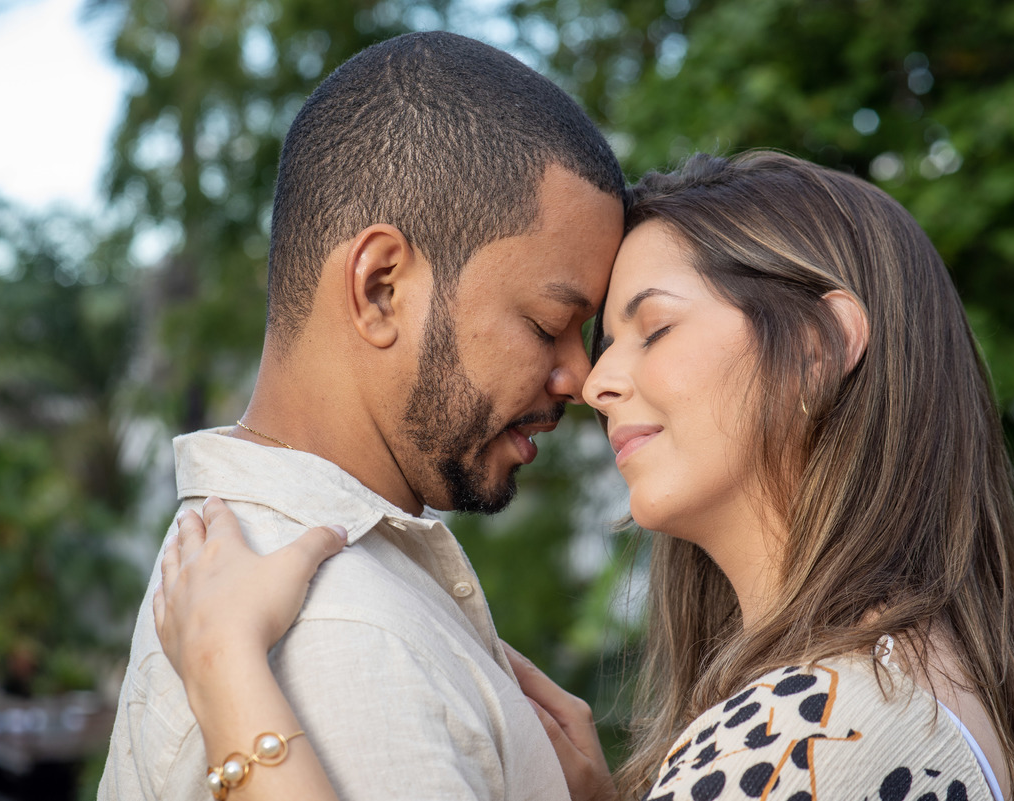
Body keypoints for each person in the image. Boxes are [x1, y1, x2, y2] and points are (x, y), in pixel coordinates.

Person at [153, 151, 1014, 801]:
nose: (598, 382)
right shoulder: (903, 683)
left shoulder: (814, 724)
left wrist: (230, 678)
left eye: (654, 327)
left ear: (814, 346)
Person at [98, 30, 627, 801]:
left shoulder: (282, 582)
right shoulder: (342, 633)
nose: (582, 376)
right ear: (381, 287)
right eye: (550, 324)